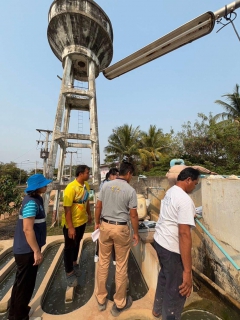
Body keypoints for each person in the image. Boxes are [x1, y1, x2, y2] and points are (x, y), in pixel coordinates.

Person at [152, 167, 200, 320]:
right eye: (195, 184)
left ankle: (157, 310)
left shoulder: (171, 191)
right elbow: (184, 234)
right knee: (177, 288)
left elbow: (173, 213)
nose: (195, 187)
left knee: (165, 277)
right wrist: (187, 272)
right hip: (171, 248)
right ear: (188, 180)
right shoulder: (185, 200)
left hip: (159, 242)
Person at [95, 161, 140, 317]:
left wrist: (96, 222)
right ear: (128, 173)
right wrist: (136, 232)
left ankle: (101, 300)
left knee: (103, 262)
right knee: (121, 265)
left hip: (105, 226)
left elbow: (98, 206)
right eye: (131, 175)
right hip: (121, 228)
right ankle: (119, 303)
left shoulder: (106, 186)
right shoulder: (130, 190)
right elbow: (133, 214)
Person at [8, 174, 52, 320]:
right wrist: (36, 251)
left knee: (20, 284)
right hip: (27, 250)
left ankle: (16, 313)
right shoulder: (31, 202)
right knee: (25, 286)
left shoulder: (36, 199)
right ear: (37, 187)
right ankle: (20, 316)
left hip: (26, 249)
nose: (46, 186)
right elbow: (28, 229)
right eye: (44, 184)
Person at [62, 165, 92, 287]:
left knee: (77, 242)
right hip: (72, 224)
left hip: (82, 222)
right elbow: (66, 209)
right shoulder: (71, 188)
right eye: (87, 173)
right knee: (69, 247)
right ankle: (69, 272)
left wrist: (89, 215)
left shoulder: (86, 186)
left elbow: (87, 202)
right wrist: (70, 227)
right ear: (80, 174)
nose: (88, 175)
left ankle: (74, 263)